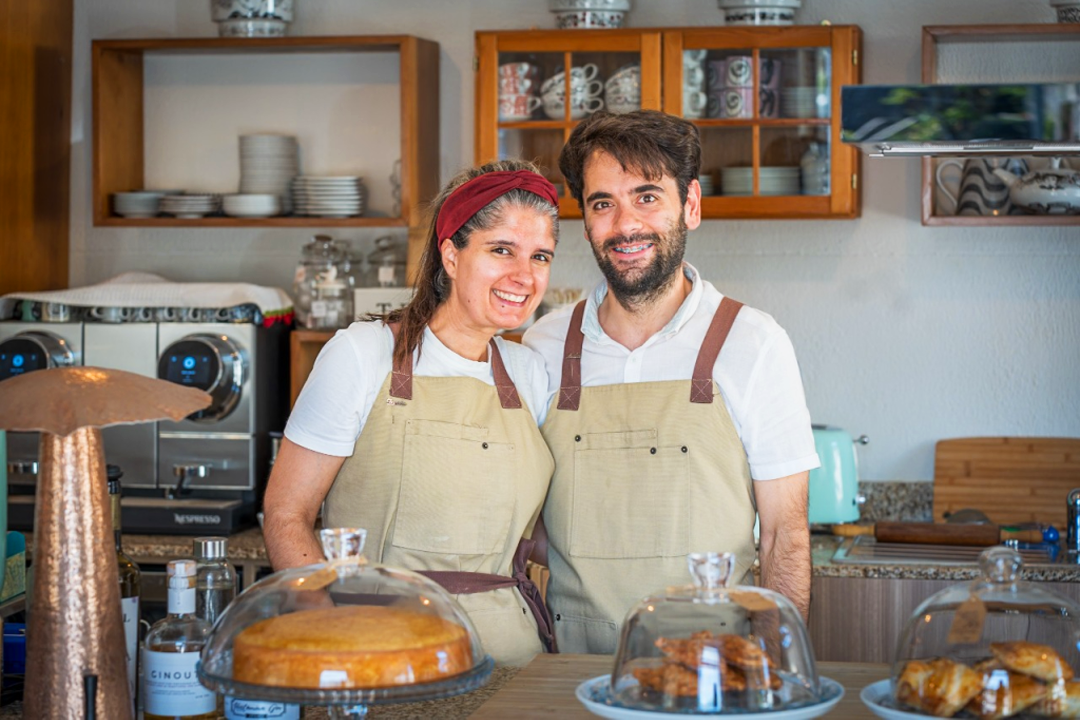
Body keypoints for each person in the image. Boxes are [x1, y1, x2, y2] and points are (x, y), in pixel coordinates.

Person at [523, 110, 819, 654]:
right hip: (568, 675)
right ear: (585, 220)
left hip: (712, 676)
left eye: (647, 197)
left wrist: (772, 671)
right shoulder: (543, 346)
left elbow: (785, 536)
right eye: (602, 203)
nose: (625, 224)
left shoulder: (753, 343)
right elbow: (524, 523)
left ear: (691, 205)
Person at [263, 159, 561, 666]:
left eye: (540, 256)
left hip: (513, 657)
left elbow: (537, 535)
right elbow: (286, 515)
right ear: (450, 254)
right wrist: (338, 638)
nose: (524, 276)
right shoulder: (362, 354)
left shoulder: (530, 373)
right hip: (383, 651)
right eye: (501, 250)